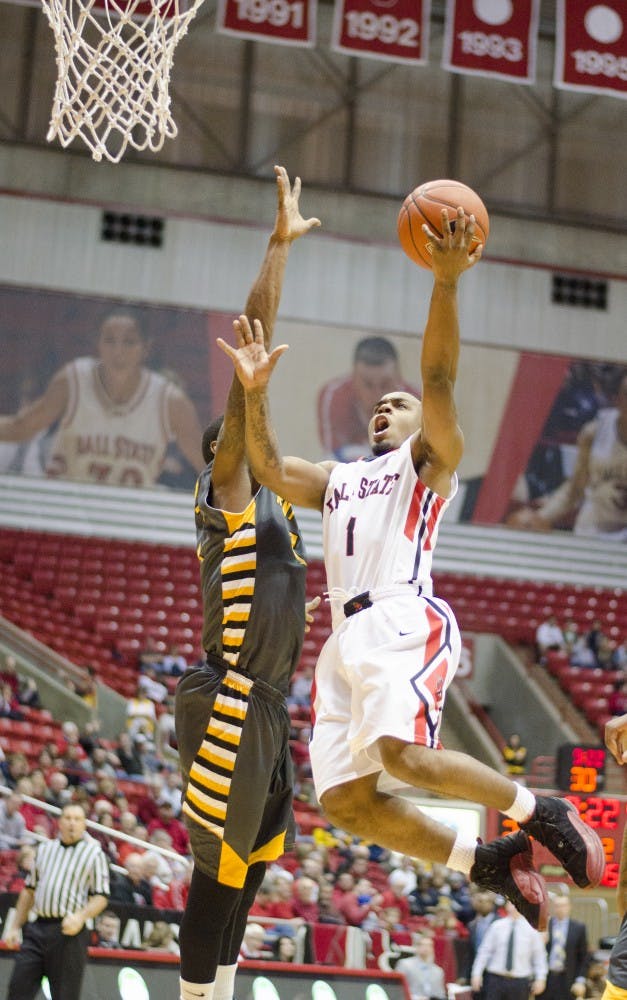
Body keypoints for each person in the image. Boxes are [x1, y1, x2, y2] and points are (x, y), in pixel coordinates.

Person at [220, 201, 606, 931]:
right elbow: (267, 466)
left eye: (398, 403)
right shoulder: (337, 476)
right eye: (378, 403)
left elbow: (435, 374)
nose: (385, 407)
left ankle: (542, 812)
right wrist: (254, 388)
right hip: (342, 638)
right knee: (345, 801)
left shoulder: (425, 463)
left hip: (402, 615)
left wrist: (446, 282)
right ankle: (484, 862)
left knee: (405, 759)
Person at [173, 165, 320, 1000]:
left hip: (266, 699)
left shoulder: (275, 507)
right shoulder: (226, 495)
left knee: (259, 855)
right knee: (219, 868)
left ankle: (219, 989)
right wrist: (276, 248)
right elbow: (247, 361)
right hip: (232, 695)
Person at [0, 310, 205, 487]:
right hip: (67, 506)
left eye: (129, 342)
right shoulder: (73, 380)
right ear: (97, 344)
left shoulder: (169, 401)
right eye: (109, 340)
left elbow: (208, 465)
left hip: (129, 516)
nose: (118, 351)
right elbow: (21, 427)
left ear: (146, 348)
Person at [4, 803, 110, 1000]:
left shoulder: (94, 854)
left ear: (84, 825)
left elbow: (101, 897)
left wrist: (80, 917)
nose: (72, 823)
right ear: (59, 822)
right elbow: (29, 891)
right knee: (17, 989)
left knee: (64, 995)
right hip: (37, 929)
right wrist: (14, 926)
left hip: (69, 933)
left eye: (77, 819)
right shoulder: (44, 849)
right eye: (67, 818)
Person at [507, 369, 627, 540]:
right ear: (616, 399)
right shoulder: (594, 431)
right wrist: (540, 516)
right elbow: (575, 489)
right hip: (592, 531)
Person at [318, 335, 419, 462]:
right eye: (368, 385)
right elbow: (331, 458)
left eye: (385, 384)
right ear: (353, 379)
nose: (377, 395)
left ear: (398, 379)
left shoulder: (414, 403)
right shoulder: (333, 396)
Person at [471, 900, 548, 1000]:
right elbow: (484, 952)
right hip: (495, 980)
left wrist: (541, 978)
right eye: (512, 902)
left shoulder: (532, 930)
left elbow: (539, 956)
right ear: (507, 906)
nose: (515, 906)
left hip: (520, 982)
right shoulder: (496, 926)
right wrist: (476, 974)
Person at [538, 893, 589, 1000]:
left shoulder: (578, 928)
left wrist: (580, 980)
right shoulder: (545, 925)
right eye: (557, 905)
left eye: (563, 905)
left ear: (569, 907)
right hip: (547, 978)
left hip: (568, 978)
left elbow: (583, 957)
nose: (560, 909)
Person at [396, 932, 447, 1000]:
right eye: (423, 945)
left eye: (429, 945)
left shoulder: (438, 971)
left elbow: (440, 995)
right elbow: (397, 989)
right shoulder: (405, 964)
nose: (426, 948)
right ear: (416, 946)